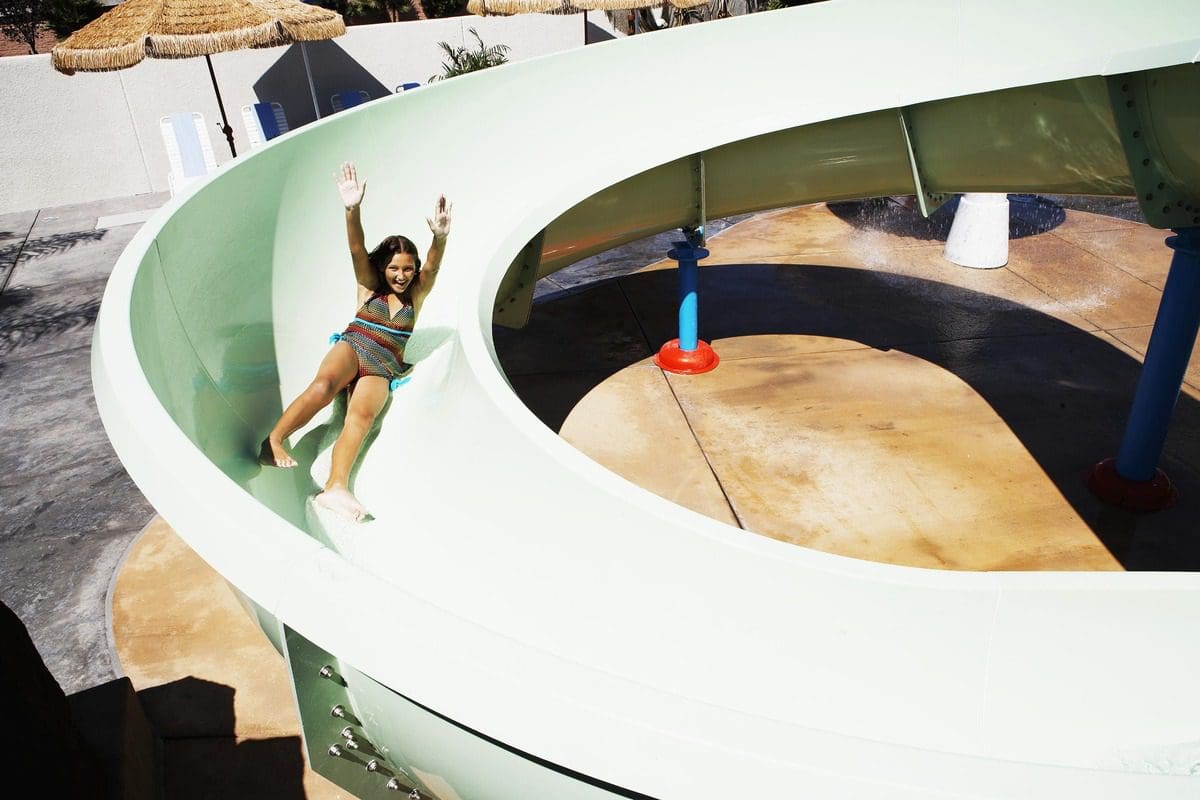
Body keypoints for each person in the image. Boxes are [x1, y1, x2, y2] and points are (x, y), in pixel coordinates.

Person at [259, 161, 452, 522]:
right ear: (383, 268)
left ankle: (335, 487)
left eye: (407, 269)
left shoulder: (417, 294)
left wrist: (439, 238)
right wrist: (352, 209)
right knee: (324, 386)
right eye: (394, 268)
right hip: (354, 345)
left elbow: (433, 267)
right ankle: (274, 440)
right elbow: (357, 248)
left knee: (361, 417)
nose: (401, 275)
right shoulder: (369, 284)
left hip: (384, 365)